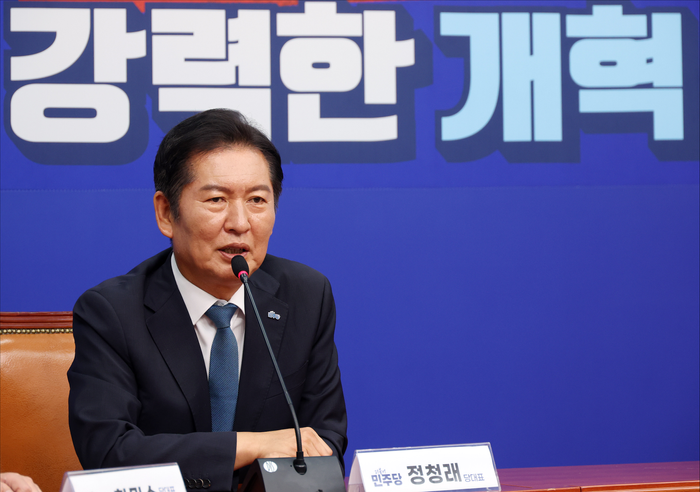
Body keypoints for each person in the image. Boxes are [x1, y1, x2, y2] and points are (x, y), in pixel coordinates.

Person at [67, 109, 347, 491]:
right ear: (166, 213)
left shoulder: (306, 296)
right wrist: (250, 446)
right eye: (217, 199)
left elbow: (324, 439)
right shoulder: (111, 312)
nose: (240, 223)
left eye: (257, 200)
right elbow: (109, 451)